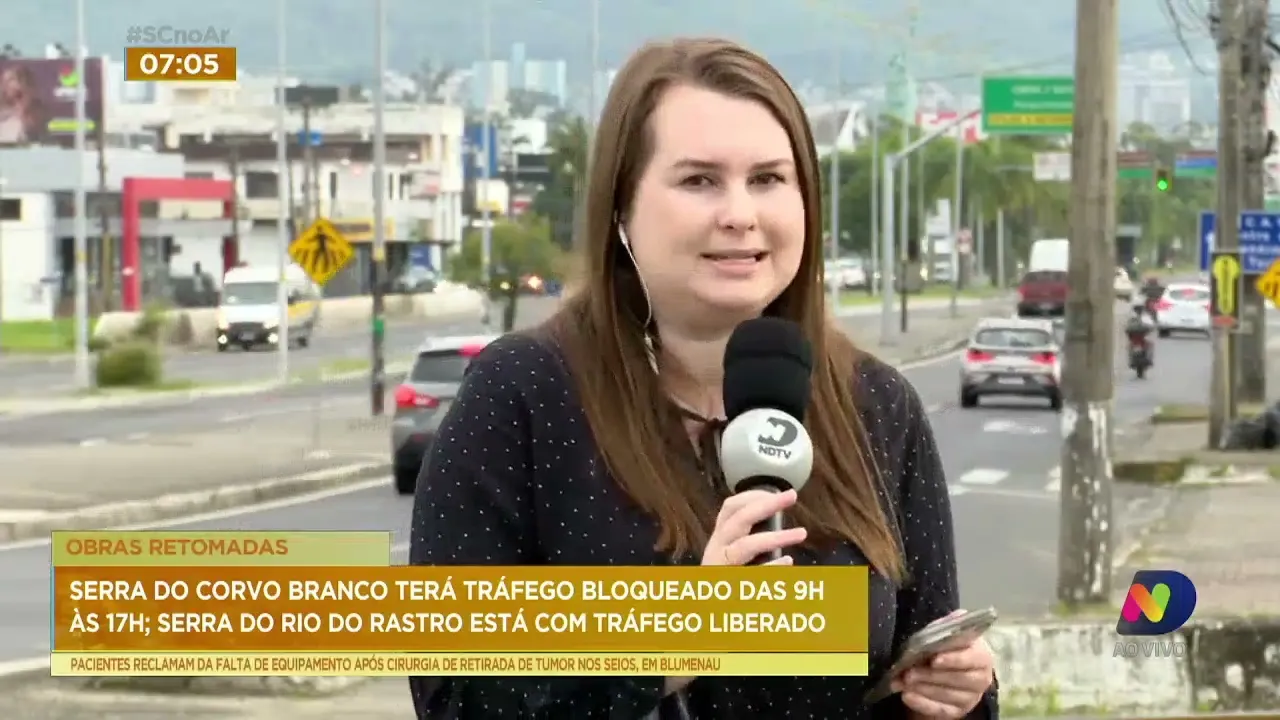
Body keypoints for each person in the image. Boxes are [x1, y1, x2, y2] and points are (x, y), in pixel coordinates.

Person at [409, 37, 997, 719]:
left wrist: (957, 692)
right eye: (699, 181)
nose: (740, 214)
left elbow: (921, 665)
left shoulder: (875, 405)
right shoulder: (523, 395)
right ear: (621, 210)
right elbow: (456, 698)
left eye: (769, 179)